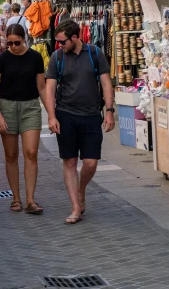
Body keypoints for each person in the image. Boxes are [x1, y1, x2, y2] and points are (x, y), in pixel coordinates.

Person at [45, 19, 115, 225]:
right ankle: (76, 207)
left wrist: (109, 111)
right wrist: (51, 115)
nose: (60, 45)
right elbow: (50, 88)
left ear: (75, 38)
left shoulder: (95, 54)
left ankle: (81, 188)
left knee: (91, 162)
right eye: (57, 42)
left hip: (92, 115)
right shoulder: (57, 57)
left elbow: (106, 83)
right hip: (66, 114)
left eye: (63, 41)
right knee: (70, 161)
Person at [0, 24, 47, 214]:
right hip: (7, 107)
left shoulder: (35, 57)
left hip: (30, 106)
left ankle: (30, 200)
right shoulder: (2, 59)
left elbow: (42, 88)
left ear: (24, 39)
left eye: (16, 42)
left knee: (31, 152)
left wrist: (52, 115)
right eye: (9, 43)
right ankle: (16, 198)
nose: (12, 46)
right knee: (11, 155)